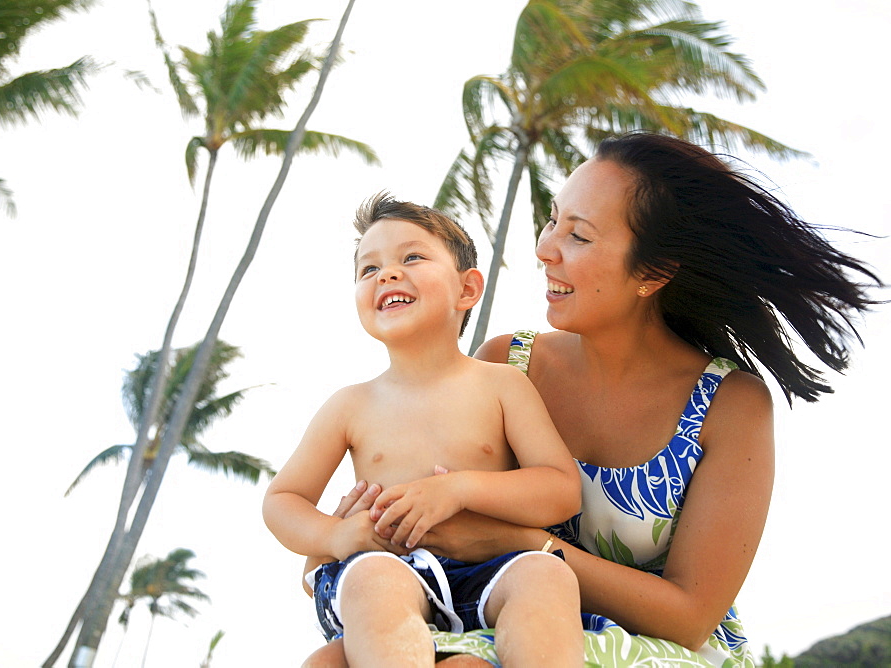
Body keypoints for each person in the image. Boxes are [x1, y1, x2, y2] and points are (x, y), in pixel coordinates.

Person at [305, 132, 882, 667]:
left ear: (653, 273)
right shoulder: (509, 363)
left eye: (578, 236)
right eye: (552, 221)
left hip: (654, 646)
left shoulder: (729, 403)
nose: (544, 249)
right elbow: (428, 507)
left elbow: (689, 618)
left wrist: (524, 543)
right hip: (500, 616)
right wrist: (346, 533)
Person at [262, 193, 584, 667]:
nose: (387, 274)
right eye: (369, 270)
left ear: (467, 290)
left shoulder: (502, 385)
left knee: (547, 575)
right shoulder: (350, 405)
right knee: (376, 582)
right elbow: (281, 500)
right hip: (384, 563)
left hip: (487, 570)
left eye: (411, 257)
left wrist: (459, 489)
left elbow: (560, 489)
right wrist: (335, 537)